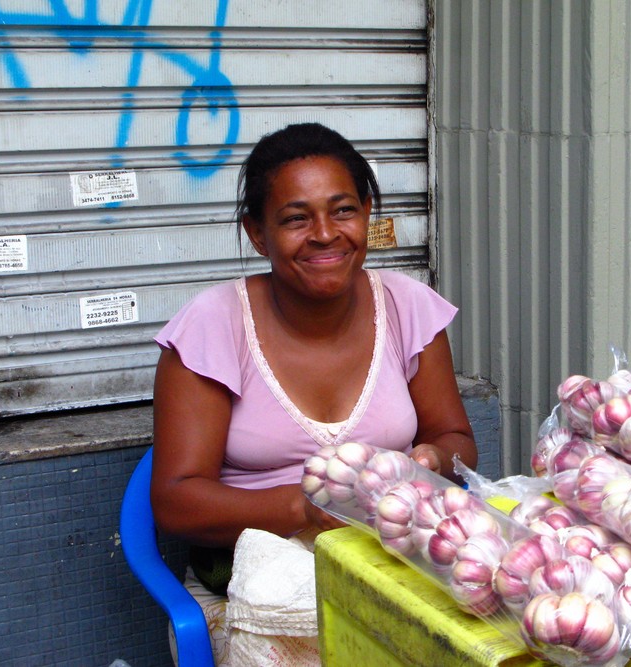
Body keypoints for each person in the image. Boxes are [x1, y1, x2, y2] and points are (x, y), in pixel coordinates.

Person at [150, 122, 478, 664]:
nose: (325, 233)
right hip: (251, 583)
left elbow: (456, 438)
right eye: (296, 218)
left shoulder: (407, 307)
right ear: (258, 233)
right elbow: (177, 502)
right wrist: (304, 510)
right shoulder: (214, 325)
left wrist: (432, 459)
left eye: (343, 210)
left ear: (367, 213)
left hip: (385, 559)